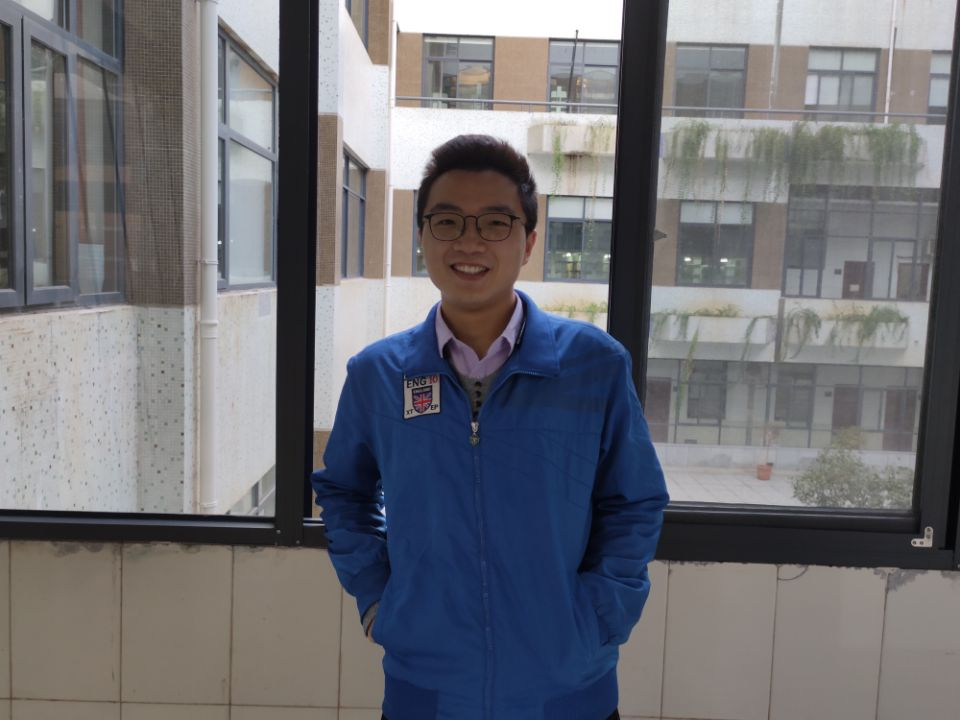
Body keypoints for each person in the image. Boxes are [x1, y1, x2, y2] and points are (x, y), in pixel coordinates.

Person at [312, 134, 669, 720]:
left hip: (568, 690)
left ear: (528, 242)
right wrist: (379, 600)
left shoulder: (594, 366)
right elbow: (344, 493)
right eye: (447, 221)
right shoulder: (379, 374)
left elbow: (634, 501)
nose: (470, 241)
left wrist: (600, 616)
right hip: (427, 692)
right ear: (422, 236)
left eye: (496, 222)